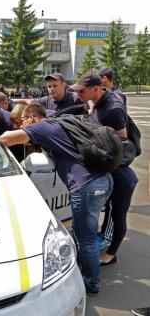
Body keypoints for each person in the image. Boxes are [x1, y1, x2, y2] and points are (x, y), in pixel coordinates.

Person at [0, 103, 113, 295]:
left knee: (86, 238)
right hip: (104, 180)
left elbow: (6, 139)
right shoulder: (57, 122)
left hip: (86, 186)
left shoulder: (42, 127)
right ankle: (84, 273)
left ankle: (90, 284)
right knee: (84, 233)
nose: (21, 126)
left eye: (22, 122)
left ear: (32, 117)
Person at [70, 72, 138, 265]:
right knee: (105, 210)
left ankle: (112, 254)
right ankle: (104, 241)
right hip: (108, 171)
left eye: (82, 91)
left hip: (121, 175)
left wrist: (97, 154)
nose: (78, 94)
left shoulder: (113, 108)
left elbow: (122, 143)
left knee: (117, 216)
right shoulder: (97, 103)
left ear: (95, 88)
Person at [19, 73, 86, 114]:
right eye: (49, 86)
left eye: (55, 86)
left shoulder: (76, 98)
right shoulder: (46, 100)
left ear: (63, 85)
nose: (51, 89)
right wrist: (10, 101)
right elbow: (28, 101)